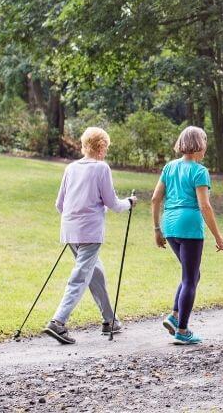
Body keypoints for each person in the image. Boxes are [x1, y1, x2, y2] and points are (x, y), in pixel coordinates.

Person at [44, 127, 137, 345]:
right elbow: (113, 203)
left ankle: (109, 320)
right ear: (101, 146)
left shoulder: (71, 168)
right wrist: (129, 203)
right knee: (80, 277)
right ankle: (58, 321)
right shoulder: (101, 168)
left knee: (96, 273)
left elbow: (60, 204)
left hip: (69, 231)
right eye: (106, 146)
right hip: (90, 232)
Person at [151, 126, 223, 345]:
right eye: (204, 142)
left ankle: (175, 317)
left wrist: (157, 229)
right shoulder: (199, 171)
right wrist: (218, 237)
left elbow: (155, 199)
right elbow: (205, 206)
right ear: (199, 145)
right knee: (190, 279)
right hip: (190, 226)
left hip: (170, 225)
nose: (206, 147)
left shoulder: (169, 167)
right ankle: (182, 331)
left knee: (191, 275)